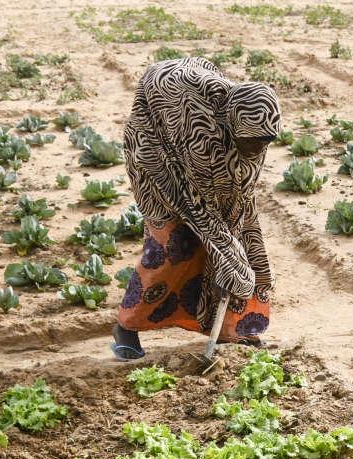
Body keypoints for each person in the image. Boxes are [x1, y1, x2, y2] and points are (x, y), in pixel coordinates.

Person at [110, 57, 281, 360]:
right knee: (174, 244)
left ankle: (232, 327)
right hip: (157, 155)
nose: (256, 150)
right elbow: (194, 202)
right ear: (232, 124)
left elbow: (238, 191)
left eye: (263, 142)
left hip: (202, 160)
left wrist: (232, 241)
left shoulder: (253, 121)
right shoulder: (198, 126)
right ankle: (127, 327)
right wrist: (226, 248)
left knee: (243, 241)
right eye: (251, 142)